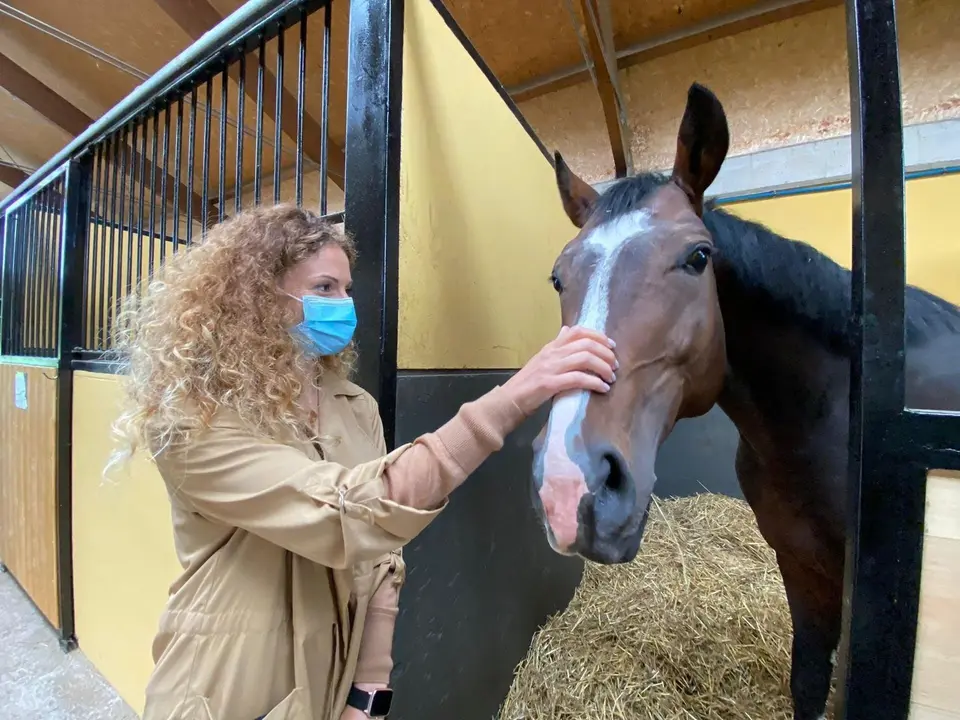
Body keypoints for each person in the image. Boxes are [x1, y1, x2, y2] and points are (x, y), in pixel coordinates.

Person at [107, 203, 617, 720]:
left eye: (347, 290)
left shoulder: (354, 406)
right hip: (227, 683)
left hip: (334, 680)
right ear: (257, 297)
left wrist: (368, 692)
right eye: (325, 288)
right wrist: (513, 397)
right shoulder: (197, 418)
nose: (344, 305)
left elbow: (380, 562)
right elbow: (347, 515)